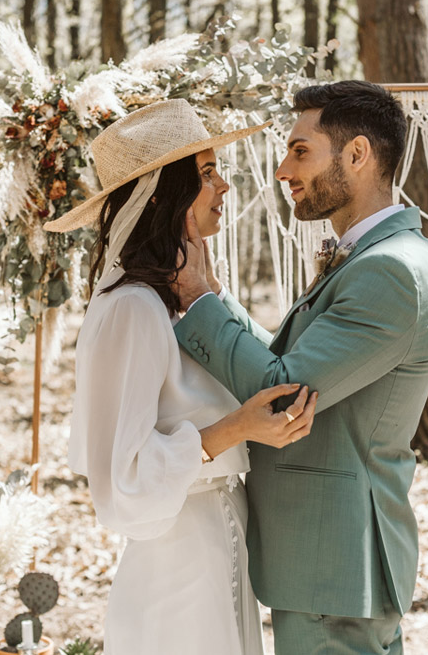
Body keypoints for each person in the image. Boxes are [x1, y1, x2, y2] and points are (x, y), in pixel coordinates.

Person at [172, 81, 428, 654]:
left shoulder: (390, 273)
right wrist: (216, 297)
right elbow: (288, 363)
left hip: (336, 565)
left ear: (357, 155)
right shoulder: (376, 258)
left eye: (300, 150)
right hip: (331, 562)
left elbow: (282, 392)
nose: (282, 169)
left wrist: (197, 302)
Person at [42, 98, 318, 655]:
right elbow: (126, 477)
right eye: (207, 174)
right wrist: (236, 428)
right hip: (176, 562)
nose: (225, 188)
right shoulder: (134, 308)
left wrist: (211, 295)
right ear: (163, 193)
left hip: (220, 541)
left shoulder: (182, 297)